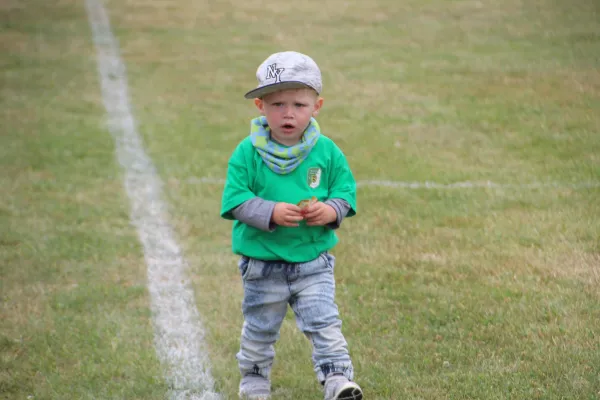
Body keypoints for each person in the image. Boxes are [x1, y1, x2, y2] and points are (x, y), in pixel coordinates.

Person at [220, 51, 363, 400]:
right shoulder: (247, 153)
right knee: (260, 328)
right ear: (260, 106)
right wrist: (270, 212)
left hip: (313, 262)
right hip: (263, 265)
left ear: (317, 106)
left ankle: (336, 380)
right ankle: (254, 382)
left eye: (299, 104)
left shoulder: (326, 152)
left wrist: (330, 211)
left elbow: (346, 192)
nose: (288, 113)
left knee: (324, 323)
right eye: (277, 104)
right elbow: (235, 200)